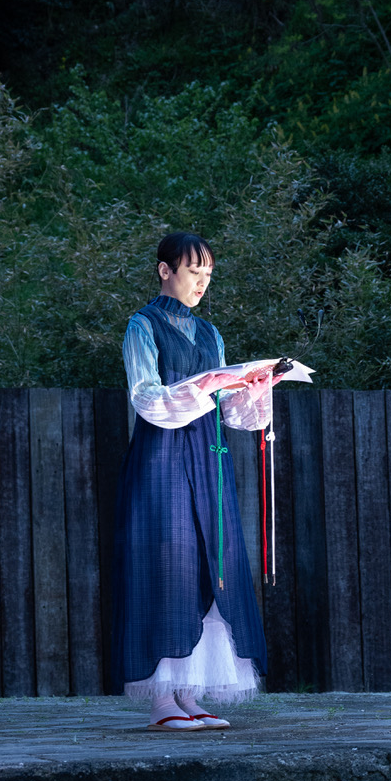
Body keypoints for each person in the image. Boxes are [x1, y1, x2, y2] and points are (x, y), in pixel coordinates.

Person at [111, 230, 275, 731]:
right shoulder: (142, 326)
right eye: (193, 272)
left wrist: (254, 386)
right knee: (168, 564)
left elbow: (229, 412)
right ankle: (163, 700)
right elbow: (145, 397)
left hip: (209, 459)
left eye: (208, 274)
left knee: (210, 566)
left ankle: (190, 692)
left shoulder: (211, 334)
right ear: (166, 271)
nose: (201, 283)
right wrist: (206, 388)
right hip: (162, 459)